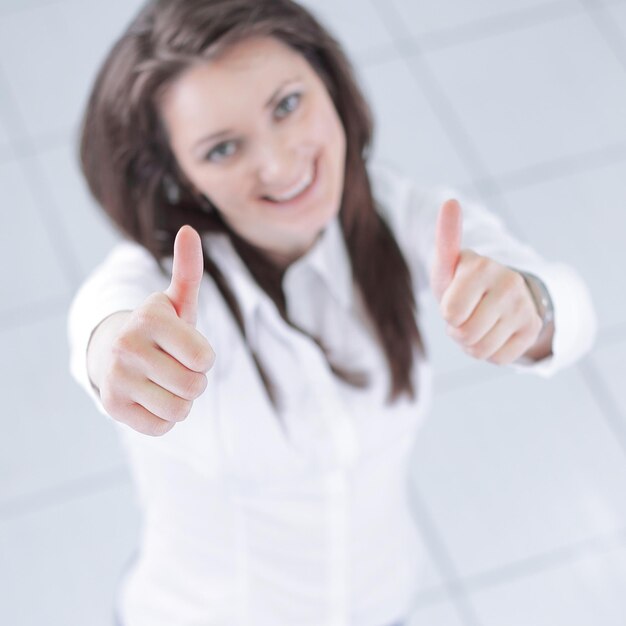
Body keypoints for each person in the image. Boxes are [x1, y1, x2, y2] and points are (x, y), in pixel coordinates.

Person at [67, 0, 597, 624]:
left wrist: (529, 306)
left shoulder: (400, 214)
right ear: (180, 177)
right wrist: (114, 355)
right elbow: (103, 324)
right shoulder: (164, 283)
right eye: (222, 149)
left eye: (288, 106)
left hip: (380, 600)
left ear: (331, 84)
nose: (280, 162)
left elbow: (570, 307)